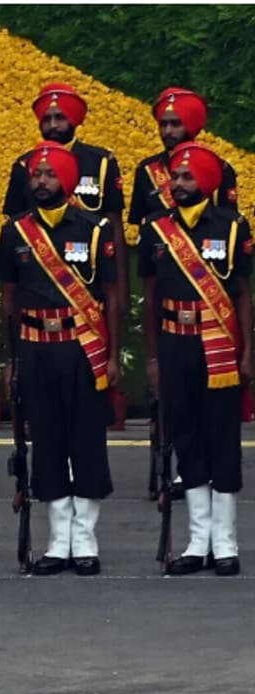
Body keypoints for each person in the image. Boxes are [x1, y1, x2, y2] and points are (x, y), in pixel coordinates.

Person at [0, 141, 120, 576]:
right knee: (47, 441)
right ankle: (57, 542)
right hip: (35, 347)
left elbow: (112, 297)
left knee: (86, 440)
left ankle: (84, 540)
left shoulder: (94, 229)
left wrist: (113, 355)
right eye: (37, 174)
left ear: (67, 181)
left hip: (82, 347)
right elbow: (9, 301)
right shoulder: (15, 232)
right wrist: (12, 359)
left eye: (50, 175)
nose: (41, 181)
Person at [140, 142, 250, 577]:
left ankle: (225, 543)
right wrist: (153, 357)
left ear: (205, 181)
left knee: (221, 439)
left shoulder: (232, 226)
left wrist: (248, 352)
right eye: (175, 177)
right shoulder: (156, 229)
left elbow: (242, 293)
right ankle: (197, 541)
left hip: (218, 345)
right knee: (185, 438)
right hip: (175, 342)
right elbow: (149, 299)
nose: (178, 184)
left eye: (187, 177)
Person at [2, 83, 126, 313]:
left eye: (60, 118)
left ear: (74, 120)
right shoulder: (24, 165)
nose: (53, 125)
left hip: (88, 276)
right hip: (38, 276)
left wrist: (121, 289)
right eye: (46, 119)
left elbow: (115, 225)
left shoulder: (101, 162)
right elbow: (15, 226)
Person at [129, 88, 238, 225]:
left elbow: (229, 222)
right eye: (163, 124)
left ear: (190, 126)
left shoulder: (218, 168)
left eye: (175, 124)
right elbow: (139, 222)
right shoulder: (147, 169)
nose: (168, 131)